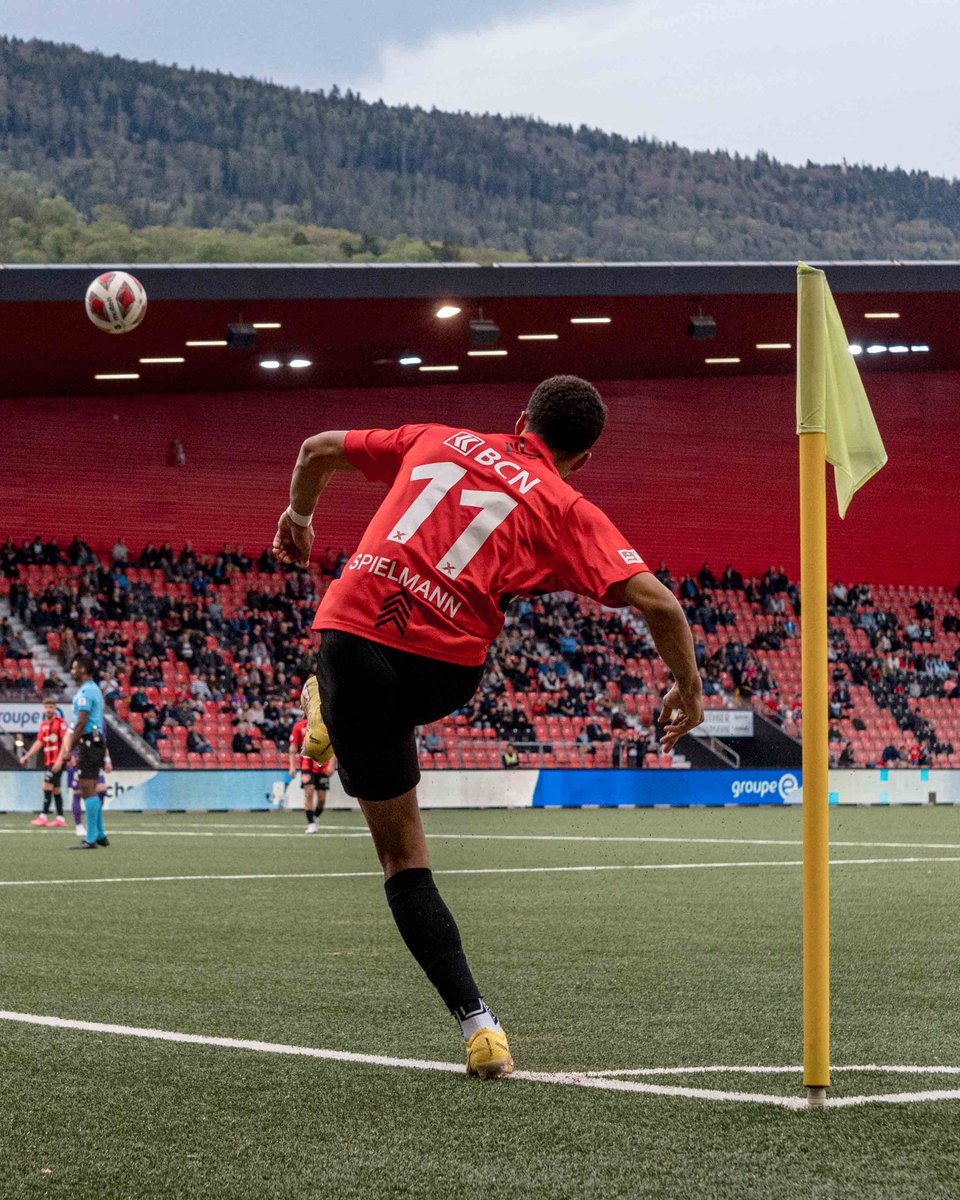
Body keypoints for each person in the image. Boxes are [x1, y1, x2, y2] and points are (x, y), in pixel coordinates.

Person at [273, 374, 703, 1080]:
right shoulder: (569, 505)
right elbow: (662, 607)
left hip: (351, 640)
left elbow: (316, 448)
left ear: (522, 417)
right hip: (442, 670)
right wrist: (687, 691)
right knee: (407, 842)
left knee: (399, 858)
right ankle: (480, 1032)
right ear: (584, 458)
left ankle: (479, 1026)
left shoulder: (438, 437)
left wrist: (299, 518)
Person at [52, 654, 109, 849]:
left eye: (75, 667)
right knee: (90, 788)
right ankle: (101, 834)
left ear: (83, 669)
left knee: (86, 788)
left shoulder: (86, 692)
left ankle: (91, 838)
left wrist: (69, 750)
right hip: (94, 743)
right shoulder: (93, 689)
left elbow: (81, 722)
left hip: (89, 744)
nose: (72, 671)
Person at [20, 697, 68, 827]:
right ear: (43, 709)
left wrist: (60, 760)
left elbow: (65, 741)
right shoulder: (44, 724)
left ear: (55, 708)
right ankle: (60, 818)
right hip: (48, 760)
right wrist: (27, 756)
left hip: (57, 760)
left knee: (47, 785)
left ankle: (43, 816)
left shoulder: (60, 723)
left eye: (51, 707)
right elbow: (39, 742)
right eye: (47, 707)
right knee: (56, 789)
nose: (49, 710)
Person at [288, 714, 329, 833]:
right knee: (309, 792)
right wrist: (292, 766)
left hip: (322, 765)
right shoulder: (298, 727)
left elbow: (330, 746)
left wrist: (331, 764)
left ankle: (314, 817)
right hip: (306, 765)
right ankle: (311, 823)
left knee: (321, 798)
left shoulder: (323, 726)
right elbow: (293, 748)